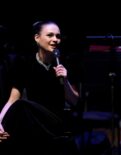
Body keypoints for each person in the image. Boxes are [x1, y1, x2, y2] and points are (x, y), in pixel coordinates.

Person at [0, 20, 80, 154]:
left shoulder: (65, 63)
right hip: (32, 120)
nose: (55, 40)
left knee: (22, 107)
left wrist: (65, 80)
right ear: (37, 38)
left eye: (58, 36)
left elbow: (74, 101)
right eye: (50, 35)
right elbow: (13, 100)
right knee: (19, 109)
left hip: (55, 120)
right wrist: (0, 122)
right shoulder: (24, 63)